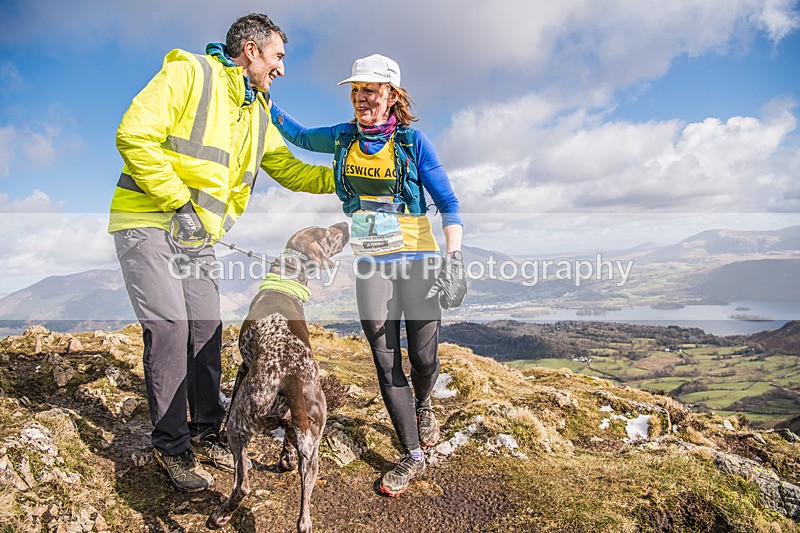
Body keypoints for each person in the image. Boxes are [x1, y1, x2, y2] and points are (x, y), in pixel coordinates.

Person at [108, 13, 334, 492]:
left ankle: (208, 427)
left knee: (207, 329)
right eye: (278, 57)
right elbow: (133, 132)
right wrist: (176, 201)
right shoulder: (188, 72)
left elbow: (292, 170)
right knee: (170, 328)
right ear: (250, 50)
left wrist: (347, 177)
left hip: (197, 237)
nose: (282, 69)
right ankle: (171, 447)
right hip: (149, 221)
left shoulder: (257, 113)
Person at [270, 54, 467, 496]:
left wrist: (454, 261)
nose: (361, 98)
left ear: (392, 96)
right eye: (356, 90)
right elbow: (298, 134)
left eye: (371, 90)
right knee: (384, 358)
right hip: (371, 264)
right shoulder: (343, 138)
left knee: (423, 357)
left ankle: (424, 401)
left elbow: (450, 205)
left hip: (418, 263)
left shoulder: (414, 143)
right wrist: (264, 98)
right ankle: (413, 454)